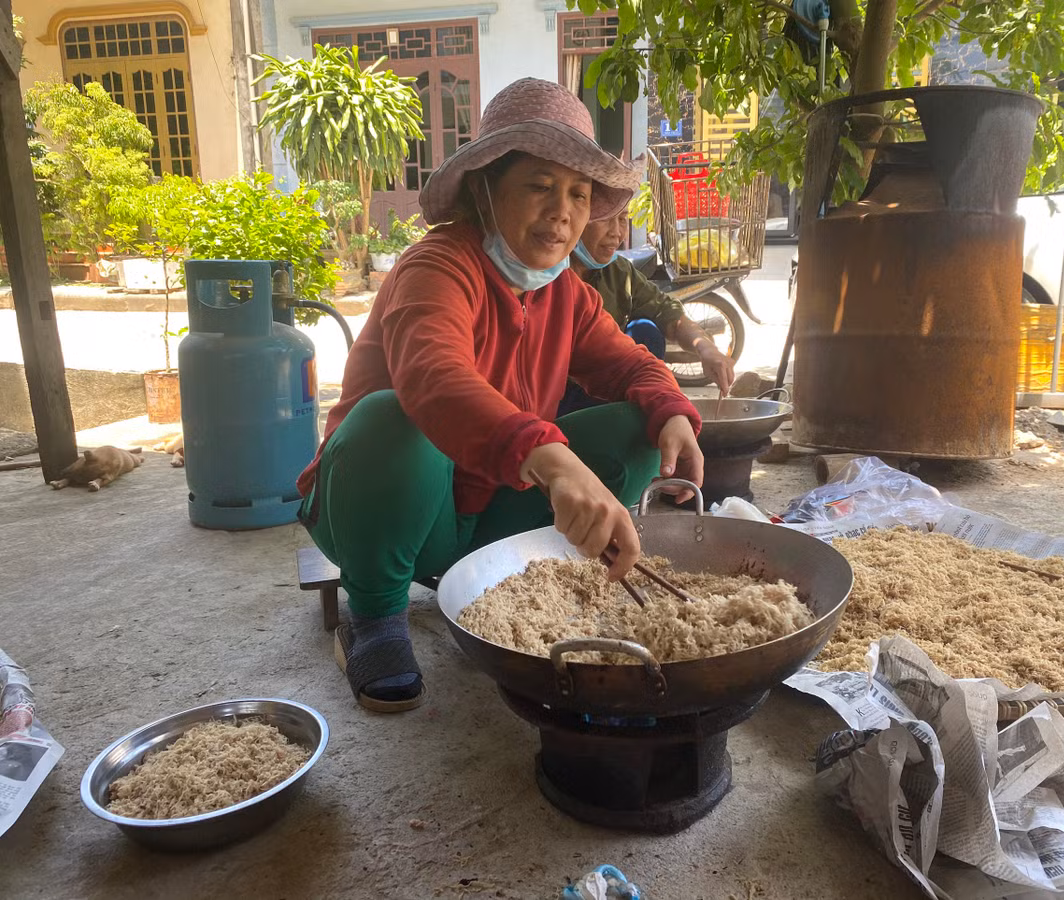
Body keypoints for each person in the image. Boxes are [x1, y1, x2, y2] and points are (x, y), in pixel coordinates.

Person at [296, 78, 705, 713]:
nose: (563, 212)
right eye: (540, 186)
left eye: (578, 194)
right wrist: (554, 456)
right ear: (487, 190)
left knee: (637, 429)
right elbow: (436, 378)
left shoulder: (567, 293)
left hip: (488, 514)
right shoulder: (437, 266)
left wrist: (671, 408)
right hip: (384, 508)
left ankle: (540, 573)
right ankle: (375, 614)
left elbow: (631, 365)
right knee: (395, 420)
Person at [557, 203, 736, 417]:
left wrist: (706, 348)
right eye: (605, 218)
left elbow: (666, 311)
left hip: (603, 387)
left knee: (645, 330)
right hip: (556, 396)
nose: (617, 233)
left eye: (623, 219)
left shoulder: (618, 272)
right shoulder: (549, 279)